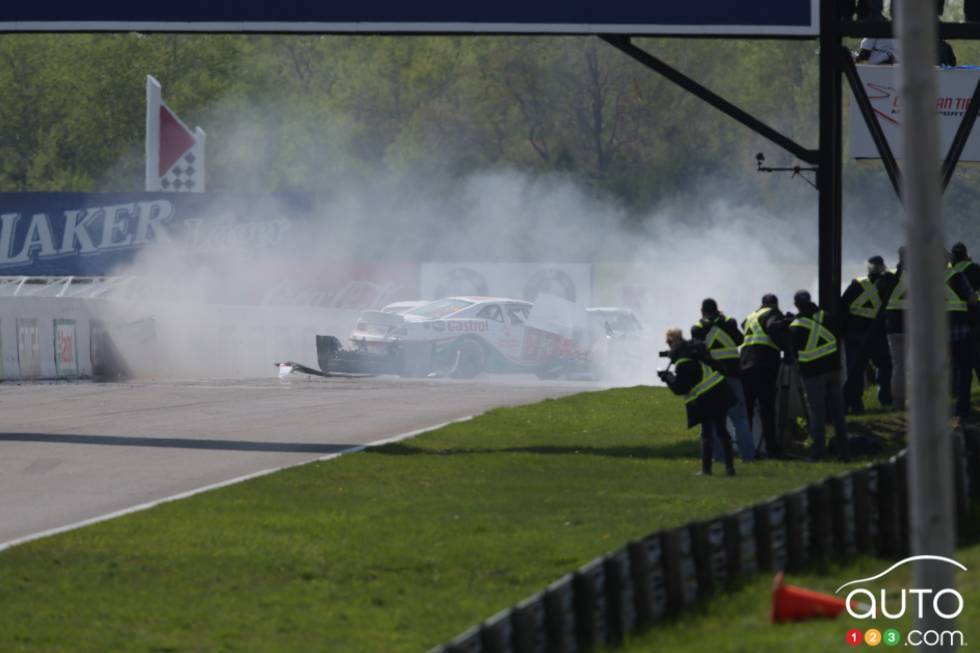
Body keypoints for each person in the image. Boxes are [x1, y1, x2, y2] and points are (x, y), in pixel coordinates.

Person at [659, 328, 737, 476]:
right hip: (720, 393)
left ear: (670, 343)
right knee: (722, 431)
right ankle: (730, 468)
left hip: (706, 399)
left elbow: (681, 388)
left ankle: (706, 470)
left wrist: (668, 378)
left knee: (707, 434)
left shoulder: (683, 361)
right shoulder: (694, 350)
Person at [788, 291, 851, 461]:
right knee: (838, 414)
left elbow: (793, 353)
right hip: (833, 370)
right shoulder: (827, 317)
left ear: (796, 305)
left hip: (813, 374)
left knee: (817, 415)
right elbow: (839, 335)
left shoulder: (795, 326)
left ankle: (819, 454)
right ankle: (844, 453)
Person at [691, 298, 754, 462]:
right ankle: (748, 456)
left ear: (702, 311)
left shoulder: (698, 328)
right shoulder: (729, 322)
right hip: (733, 375)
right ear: (717, 309)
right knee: (740, 419)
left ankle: (718, 457)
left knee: (713, 420)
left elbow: (696, 350)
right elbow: (739, 340)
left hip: (712, 380)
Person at [840, 256, 893, 413]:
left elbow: (843, 306)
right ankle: (885, 400)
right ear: (882, 267)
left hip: (854, 332)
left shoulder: (857, 284)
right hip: (877, 333)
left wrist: (843, 330)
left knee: (855, 370)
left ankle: (857, 405)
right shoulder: (887, 285)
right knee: (884, 366)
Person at [740, 294, 787, 459]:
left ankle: (747, 449)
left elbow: (742, 326)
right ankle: (772, 449)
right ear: (775, 304)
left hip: (745, 365)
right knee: (767, 408)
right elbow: (773, 327)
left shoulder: (750, 316)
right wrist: (786, 346)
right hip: (764, 365)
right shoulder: (772, 313)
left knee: (747, 410)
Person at [945, 258, 977, 424]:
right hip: (960, 331)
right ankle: (962, 409)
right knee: (964, 370)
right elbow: (972, 299)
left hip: (935, 334)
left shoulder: (925, 278)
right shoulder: (957, 276)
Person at [882, 247, 907, 410]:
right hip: (915, 327)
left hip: (893, 328)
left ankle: (898, 402)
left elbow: (879, 295)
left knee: (899, 366)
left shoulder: (889, 277)